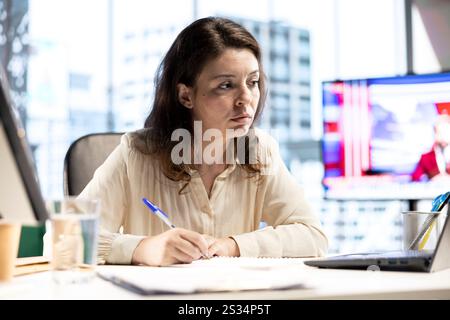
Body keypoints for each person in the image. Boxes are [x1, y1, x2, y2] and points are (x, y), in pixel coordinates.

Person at [80, 17, 328, 266]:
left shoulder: (259, 150)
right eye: (226, 85)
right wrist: (143, 248)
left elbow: (313, 236)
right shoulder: (135, 153)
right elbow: (67, 238)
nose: (245, 98)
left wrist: (233, 245)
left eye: (252, 82)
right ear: (186, 95)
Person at [411, 114, 450, 182]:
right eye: (440, 132)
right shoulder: (426, 158)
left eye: (446, 132)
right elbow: (415, 179)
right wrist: (431, 181)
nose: (443, 136)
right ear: (435, 134)